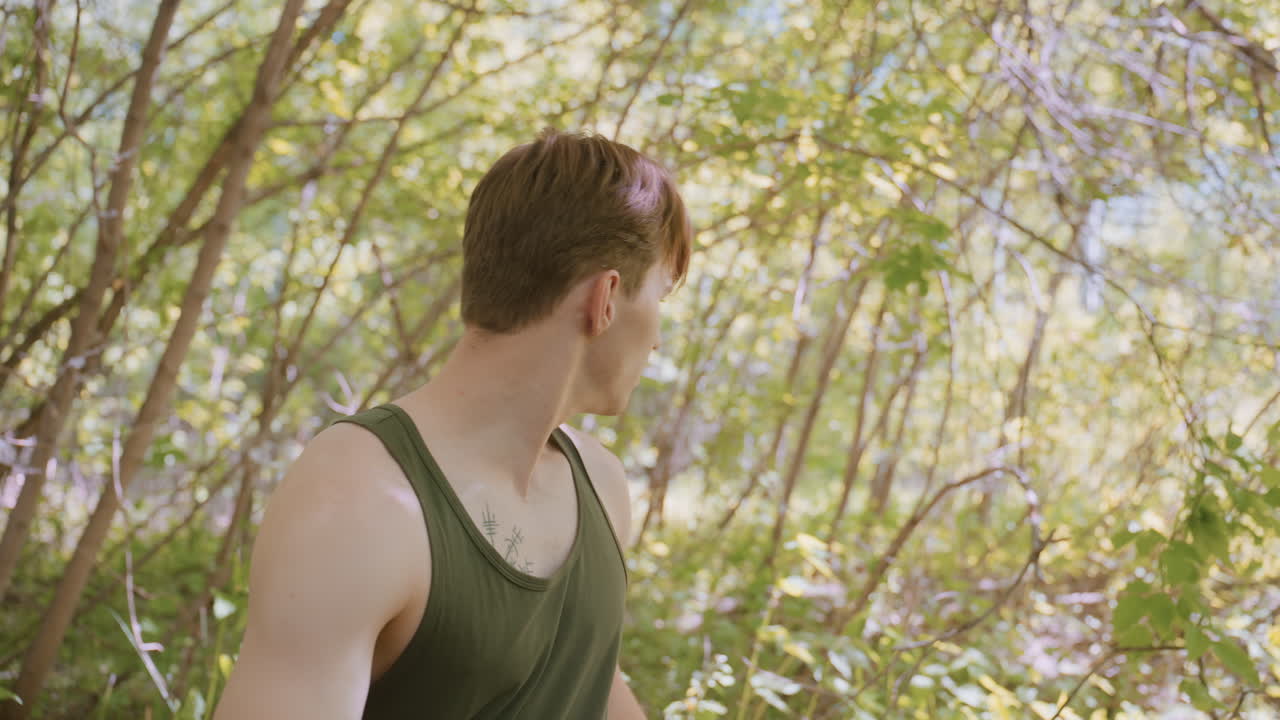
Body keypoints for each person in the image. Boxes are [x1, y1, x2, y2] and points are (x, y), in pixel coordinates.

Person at [212, 128, 692, 719]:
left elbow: (590, 686)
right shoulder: (359, 499)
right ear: (607, 299)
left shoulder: (601, 484)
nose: (660, 336)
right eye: (661, 300)